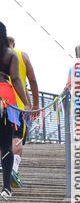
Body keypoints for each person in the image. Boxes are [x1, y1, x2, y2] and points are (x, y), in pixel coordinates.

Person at [6, 36, 39, 189]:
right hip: (17, 106)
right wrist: (34, 105)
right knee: (16, 138)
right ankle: (13, 170)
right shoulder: (21, 56)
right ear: (13, 44)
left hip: (2, 103)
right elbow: (31, 80)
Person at [0, 25, 28, 198]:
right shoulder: (10, 54)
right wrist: (25, 104)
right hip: (5, 96)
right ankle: (6, 189)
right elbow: (16, 79)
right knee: (5, 144)